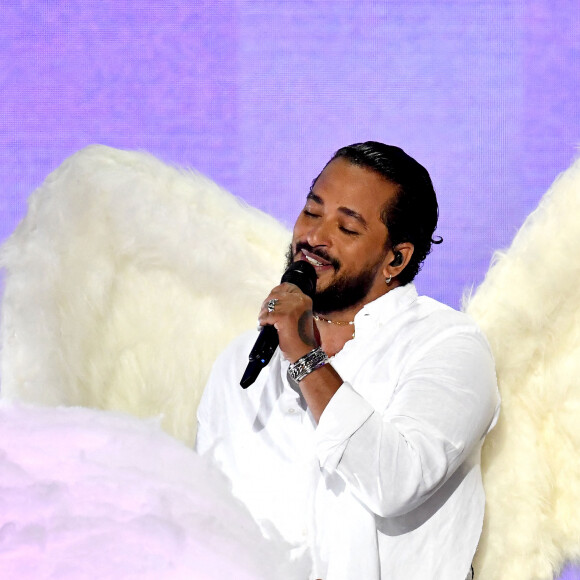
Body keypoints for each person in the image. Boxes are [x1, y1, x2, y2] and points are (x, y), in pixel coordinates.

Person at [195, 142, 500, 580]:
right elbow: (208, 513)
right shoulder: (239, 361)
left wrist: (305, 356)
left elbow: (396, 482)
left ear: (396, 258)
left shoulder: (447, 344)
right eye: (312, 211)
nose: (314, 238)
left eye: (347, 228)